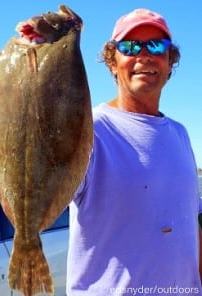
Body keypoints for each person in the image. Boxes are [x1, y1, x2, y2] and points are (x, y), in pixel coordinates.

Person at [66, 8, 202, 296]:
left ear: (169, 62)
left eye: (156, 45)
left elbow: (191, 225)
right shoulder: (87, 130)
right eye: (129, 47)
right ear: (112, 63)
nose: (144, 55)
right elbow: (43, 193)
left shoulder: (180, 134)